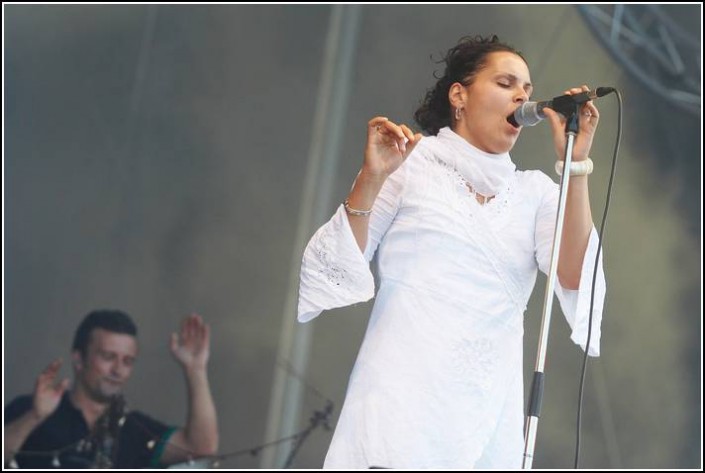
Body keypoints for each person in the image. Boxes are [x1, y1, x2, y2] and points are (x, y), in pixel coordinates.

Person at [297, 35, 606, 468]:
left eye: (528, 91)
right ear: (459, 95)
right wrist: (372, 176)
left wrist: (575, 165)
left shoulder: (535, 193)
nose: (521, 96)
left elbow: (575, 277)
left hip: (483, 419)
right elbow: (336, 262)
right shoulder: (411, 162)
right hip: (398, 410)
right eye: (505, 83)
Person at [4, 310, 218, 468]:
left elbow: (201, 447)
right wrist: (34, 416)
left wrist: (195, 369)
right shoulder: (30, 409)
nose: (118, 370)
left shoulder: (136, 429)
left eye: (127, 361)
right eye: (108, 357)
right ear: (78, 359)